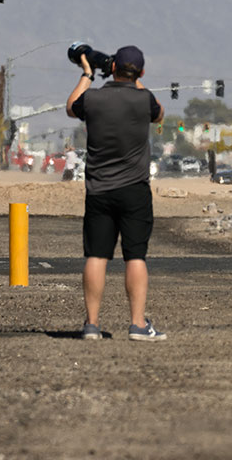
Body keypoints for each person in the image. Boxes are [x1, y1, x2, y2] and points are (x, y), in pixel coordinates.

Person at [66, 45, 166, 341]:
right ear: (141, 72)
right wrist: (137, 81)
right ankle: (137, 324)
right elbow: (160, 114)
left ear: (112, 69)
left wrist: (87, 73)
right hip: (135, 190)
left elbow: (71, 107)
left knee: (96, 256)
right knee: (135, 257)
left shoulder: (93, 98)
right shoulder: (145, 100)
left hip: (99, 190)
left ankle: (92, 324)